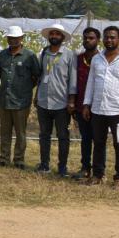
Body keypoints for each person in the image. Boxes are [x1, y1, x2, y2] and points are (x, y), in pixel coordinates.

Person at [82, 26, 119, 189]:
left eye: (113, 37)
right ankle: (98, 175)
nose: (109, 40)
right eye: (107, 37)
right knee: (98, 143)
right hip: (98, 109)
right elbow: (91, 83)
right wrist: (86, 104)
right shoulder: (97, 59)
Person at [35, 23, 78, 176]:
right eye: (51, 34)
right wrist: (36, 96)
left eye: (57, 34)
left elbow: (73, 80)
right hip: (43, 101)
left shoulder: (69, 55)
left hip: (61, 103)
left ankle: (62, 167)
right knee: (44, 135)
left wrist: (71, 101)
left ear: (62, 37)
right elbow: (41, 76)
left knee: (63, 136)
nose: (54, 36)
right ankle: (44, 165)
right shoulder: (44, 53)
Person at [0, 25, 41, 169]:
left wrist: (26, 88)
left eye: (16, 38)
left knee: (20, 132)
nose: (13, 40)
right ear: (7, 39)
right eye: (11, 38)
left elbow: (37, 76)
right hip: (4, 98)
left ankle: (19, 159)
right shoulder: (2, 55)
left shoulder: (29, 56)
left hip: (21, 100)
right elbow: (0, 74)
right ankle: (3, 158)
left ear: (22, 39)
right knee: (5, 131)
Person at [71, 27, 101, 180]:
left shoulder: (102, 59)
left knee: (98, 140)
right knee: (85, 138)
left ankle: (98, 170)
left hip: (99, 107)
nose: (87, 40)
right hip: (81, 106)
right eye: (85, 38)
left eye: (91, 38)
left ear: (98, 40)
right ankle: (85, 167)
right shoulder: (78, 58)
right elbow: (73, 82)